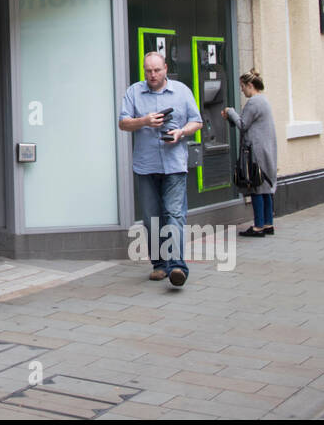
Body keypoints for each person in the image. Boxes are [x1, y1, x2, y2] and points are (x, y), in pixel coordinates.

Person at [118, 51, 203, 287]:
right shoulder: (134, 91)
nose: (152, 75)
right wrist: (144, 121)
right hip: (146, 166)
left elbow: (197, 121)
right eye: (148, 71)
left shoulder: (182, 91)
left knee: (174, 214)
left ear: (166, 68)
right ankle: (159, 265)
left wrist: (181, 132)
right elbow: (123, 123)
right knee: (151, 218)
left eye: (157, 70)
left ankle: (177, 266)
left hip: (174, 164)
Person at [221, 68, 278, 237]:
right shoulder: (264, 101)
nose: (242, 90)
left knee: (256, 188)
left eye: (243, 87)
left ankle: (258, 226)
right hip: (266, 149)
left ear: (250, 85)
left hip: (256, 152)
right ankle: (268, 224)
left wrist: (230, 111)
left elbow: (243, 125)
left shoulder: (254, 102)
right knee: (266, 188)